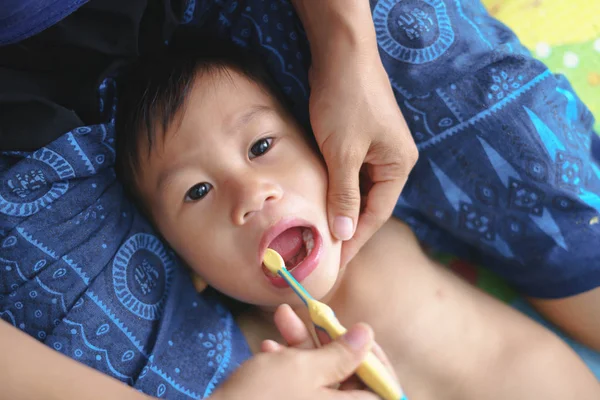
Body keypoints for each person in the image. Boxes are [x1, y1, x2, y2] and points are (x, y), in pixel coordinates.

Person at [113, 40, 600, 399]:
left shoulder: (385, 223)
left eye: (261, 147)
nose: (251, 194)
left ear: (325, 155)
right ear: (183, 260)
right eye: (197, 191)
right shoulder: (257, 363)